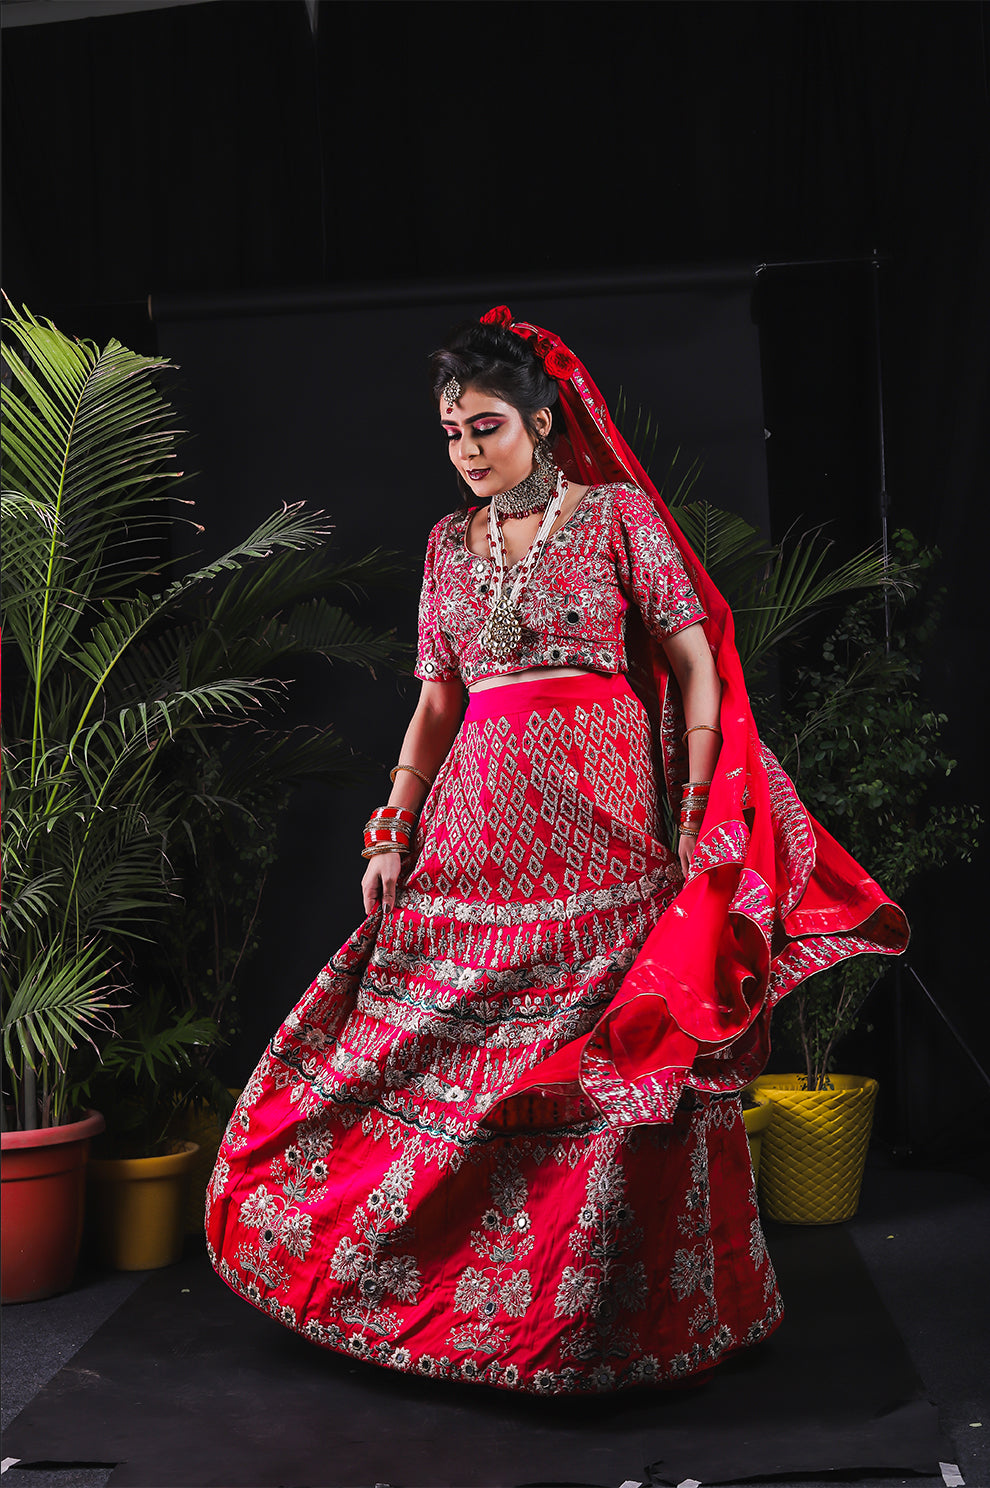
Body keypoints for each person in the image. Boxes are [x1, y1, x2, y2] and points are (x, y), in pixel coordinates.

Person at [205, 307, 908, 1394]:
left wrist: (696, 806)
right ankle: (432, 1302)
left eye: (485, 426)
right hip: (474, 833)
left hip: (608, 828)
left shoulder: (618, 516)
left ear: (541, 419)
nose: (466, 451)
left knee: (620, 1059)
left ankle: (619, 1322)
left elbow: (694, 660)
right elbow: (436, 705)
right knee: (432, 1052)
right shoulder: (447, 545)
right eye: (451, 433)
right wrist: (392, 829)